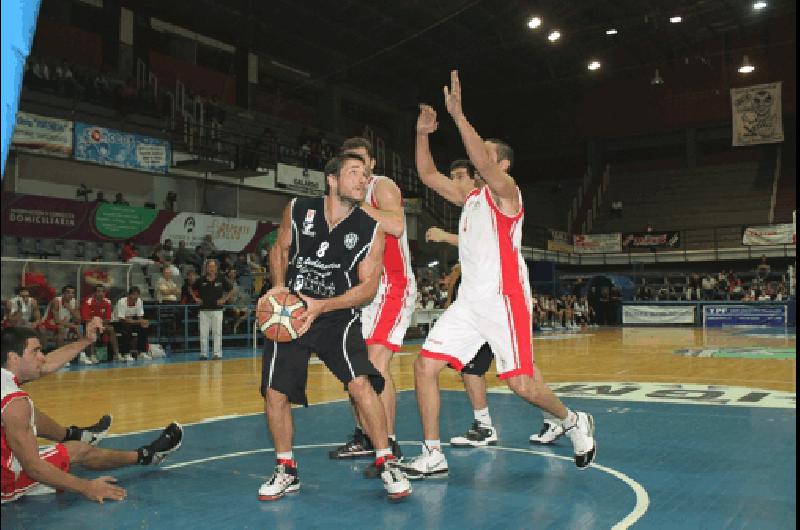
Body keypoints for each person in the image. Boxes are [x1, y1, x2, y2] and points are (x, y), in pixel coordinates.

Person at [399, 74, 595, 480]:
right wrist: (421, 134)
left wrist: (458, 115)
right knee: (424, 366)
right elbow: (429, 175)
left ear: (501, 164)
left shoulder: (508, 193)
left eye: (485, 155)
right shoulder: (471, 198)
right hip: (470, 301)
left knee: (523, 385)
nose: (476, 160)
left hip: (504, 299)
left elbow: (483, 163)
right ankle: (432, 454)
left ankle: (573, 420)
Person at [256, 153, 411, 501]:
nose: (362, 179)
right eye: (354, 172)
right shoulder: (298, 209)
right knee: (275, 392)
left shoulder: (372, 229)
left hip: (336, 315)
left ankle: (386, 460)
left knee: (361, 384)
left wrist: (323, 305)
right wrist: (280, 290)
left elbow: (368, 289)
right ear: (332, 179)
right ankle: (286, 469)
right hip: (293, 313)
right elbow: (280, 249)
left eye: (366, 174)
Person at [1, 323, 183, 504]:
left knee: (29, 414)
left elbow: (46, 365)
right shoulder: (15, 402)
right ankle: (148, 455)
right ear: (13, 358)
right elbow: (33, 468)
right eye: (36, 351)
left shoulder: (6, 380)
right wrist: (87, 487)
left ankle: (76, 434)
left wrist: (86, 340)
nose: (42, 357)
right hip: (5, 485)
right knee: (77, 450)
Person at [427, 219, 564, 448]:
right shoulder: (465, 260)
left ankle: (557, 419)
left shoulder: (491, 212)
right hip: (480, 306)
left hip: (498, 304)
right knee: (474, 368)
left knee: (520, 371)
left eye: (459, 179)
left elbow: (485, 246)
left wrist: (444, 236)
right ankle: (487, 425)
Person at [328, 137, 416, 471]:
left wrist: (356, 202)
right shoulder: (342, 200)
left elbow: (396, 225)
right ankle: (366, 437)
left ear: (373, 165)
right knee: (353, 367)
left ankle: (388, 443)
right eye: (352, 166)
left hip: (393, 286)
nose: (360, 173)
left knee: (376, 366)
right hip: (363, 290)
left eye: (363, 165)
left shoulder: (382, 185)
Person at [190, 259, 233, 359]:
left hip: (217, 310)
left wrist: (224, 299)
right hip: (204, 310)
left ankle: (217, 354)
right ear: (206, 268)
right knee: (203, 333)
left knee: (217, 332)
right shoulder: (201, 280)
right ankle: (203, 353)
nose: (212, 269)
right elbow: (191, 288)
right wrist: (195, 298)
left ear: (216, 268)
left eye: (213, 267)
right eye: (210, 267)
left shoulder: (221, 279)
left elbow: (231, 290)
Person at [80, 285, 119, 364]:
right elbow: (86, 318)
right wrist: (96, 323)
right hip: (89, 325)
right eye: (98, 291)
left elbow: (108, 319)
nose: (101, 293)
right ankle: (92, 355)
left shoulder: (107, 302)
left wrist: (99, 323)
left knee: (111, 329)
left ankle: (116, 354)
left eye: (102, 291)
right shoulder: (88, 301)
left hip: (101, 324)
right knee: (93, 329)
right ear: (95, 293)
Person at [112, 287, 151, 361]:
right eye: (133, 295)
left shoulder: (139, 301)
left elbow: (140, 317)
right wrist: (136, 321)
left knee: (143, 327)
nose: (135, 297)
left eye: (137, 295)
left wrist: (143, 322)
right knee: (126, 328)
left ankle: (142, 352)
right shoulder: (122, 302)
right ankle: (126, 353)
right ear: (128, 295)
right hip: (117, 322)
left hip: (131, 321)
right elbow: (122, 319)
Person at [39, 285, 82, 350]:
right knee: (61, 328)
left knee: (80, 331)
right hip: (49, 322)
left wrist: (70, 308)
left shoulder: (74, 302)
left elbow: (79, 318)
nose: (70, 295)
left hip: (64, 323)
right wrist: (73, 325)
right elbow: (57, 321)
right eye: (68, 292)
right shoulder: (56, 301)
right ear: (63, 293)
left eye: (73, 293)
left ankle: (80, 354)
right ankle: (56, 352)